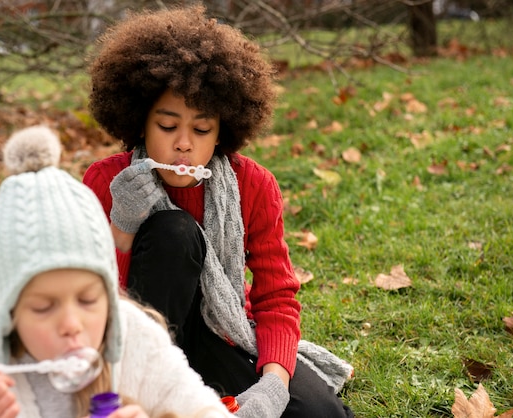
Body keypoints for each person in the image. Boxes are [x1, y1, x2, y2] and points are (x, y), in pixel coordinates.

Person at [82, 5, 354, 418]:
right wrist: (122, 229)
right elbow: (89, 299)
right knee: (174, 230)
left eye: (202, 129)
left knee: (321, 414)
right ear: (139, 122)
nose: (184, 145)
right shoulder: (106, 182)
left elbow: (275, 296)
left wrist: (274, 386)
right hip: (136, 346)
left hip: (221, 331)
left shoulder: (253, 184)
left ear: (223, 129)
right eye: (168, 127)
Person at [0, 125, 234, 418]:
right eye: (44, 307)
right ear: (6, 311)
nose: (72, 325)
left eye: (89, 300)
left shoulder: (134, 337)